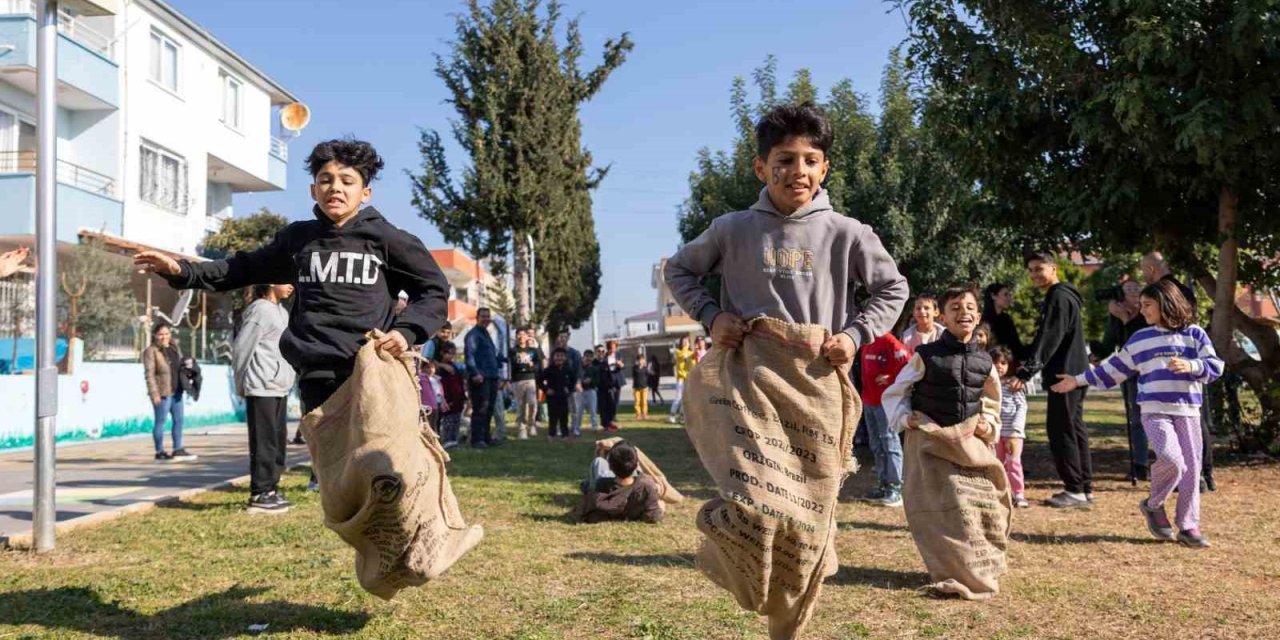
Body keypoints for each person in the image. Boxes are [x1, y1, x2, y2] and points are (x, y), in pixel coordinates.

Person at [133, 139, 450, 468]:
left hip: (371, 372)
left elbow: (433, 289)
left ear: (365, 193)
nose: (335, 188)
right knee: (335, 479)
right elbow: (241, 268)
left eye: (347, 181)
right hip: (317, 377)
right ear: (314, 190)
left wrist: (406, 332)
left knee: (378, 471)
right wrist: (181, 271)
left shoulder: (388, 240)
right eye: (326, 180)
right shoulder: (299, 240)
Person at [663, 102, 908, 380]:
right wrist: (712, 316)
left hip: (819, 386)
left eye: (811, 160)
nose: (799, 170)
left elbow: (894, 288)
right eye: (785, 160)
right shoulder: (730, 230)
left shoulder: (849, 234)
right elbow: (677, 269)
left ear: (824, 170)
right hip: (745, 389)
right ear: (761, 168)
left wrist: (854, 336)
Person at [1050, 279, 1223, 548]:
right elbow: (1114, 369)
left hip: (1188, 411)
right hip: (1154, 412)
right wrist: (1078, 380)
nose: (1142, 311)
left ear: (1166, 303)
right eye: (1141, 305)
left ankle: (1188, 526)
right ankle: (1154, 504)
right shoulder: (1141, 338)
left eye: (1147, 305)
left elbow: (1215, 366)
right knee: (1173, 461)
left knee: (1191, 471)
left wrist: (1192, 365)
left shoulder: (1195, 334)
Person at [1008, 250, 1092, 509]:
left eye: (1038, 269)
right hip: (1075, 371)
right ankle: (1084, 487)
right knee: (1074, 428)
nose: (1034, 274)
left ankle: (1075, 489)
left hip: (1064, 375)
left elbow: (1049, 338)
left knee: (1061, 429)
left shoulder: (1058, 296)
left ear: (1053, 268)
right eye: (1031, 270)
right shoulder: (1064, 296)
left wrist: (1026, 371)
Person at [1141, 251, 1214, 491]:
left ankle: (1196, 475)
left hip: (1176, 369)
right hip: (1190, 368)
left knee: (1187, 423)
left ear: (1151, 269)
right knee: (1195, 420)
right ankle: (1203, 473)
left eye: (1143, 269)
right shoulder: (1185, 290)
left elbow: (1162, 329)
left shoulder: (1162, 293)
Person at [232, 283, 296, 514]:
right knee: (263, 442)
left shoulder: (282, 311)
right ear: (270, 282)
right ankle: (259, 493)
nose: (290, 286)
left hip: (280, 387)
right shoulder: (260, 310)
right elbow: (242, 348)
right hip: (261, 386)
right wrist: (241, 384)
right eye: (285, 281)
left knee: (278, 442)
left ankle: (271, 488)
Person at [1095, 278, 1151, 482]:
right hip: (1131, 374)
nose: (1135, 291)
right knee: (1136, 420)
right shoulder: (1117, 316)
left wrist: (1127, 320)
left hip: (1152, 373)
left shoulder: (1150, 312)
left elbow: (1141, 342)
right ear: (1121, 294)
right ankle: (1140, 465)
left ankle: (1166, 463)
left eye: (1138, 287)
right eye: (1129, 289)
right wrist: (1097, 354)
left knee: (1158, 417)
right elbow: (1110, 342)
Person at [859, 332, 911, 507]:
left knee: (890, 442)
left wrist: (891, 377)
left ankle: (895, 488)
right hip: (869, 400)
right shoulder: (866, 340)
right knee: (876, 444)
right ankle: (883, 484)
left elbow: (908, 362)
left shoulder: (888, 340)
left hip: (885, 401)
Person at [143, 322, 196, 462]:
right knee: (160, 421)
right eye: (161, 334)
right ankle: (159, 451)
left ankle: (177, 449)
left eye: (166, 334)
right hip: (162, 392)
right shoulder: (151, 351)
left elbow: (179, 367)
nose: (164, 337)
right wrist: (154, 393)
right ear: (155, 335)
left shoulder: (174, 348)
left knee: (179, 421)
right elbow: (149, 374)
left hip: (177, 391)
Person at [580, 441, 665, 524]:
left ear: (610, 466)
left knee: (598, 461)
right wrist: (661, 506)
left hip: (609, 483)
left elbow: (593, 512)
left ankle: (585, 485)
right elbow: (652, 516)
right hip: (634, 483)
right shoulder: (646, 486)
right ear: (637, 464)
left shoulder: (602, 484)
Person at [991, 345, 1029, 509]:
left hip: (1013, 433)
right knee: (997, 463)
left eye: (1003, 363)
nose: (999, 366)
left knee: (1013, 462)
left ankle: (1018, 493)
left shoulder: (1012, 386)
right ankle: (1000, 492)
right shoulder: (988, 385)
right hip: (995, 433)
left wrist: (1015, 429)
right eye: (996, 362)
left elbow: (1022, 407)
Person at [465, 308, 503, 449]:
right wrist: (475, 373)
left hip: (491, 377)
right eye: (483, 316)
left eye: (488, 316)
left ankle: (486, 437)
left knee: (489, 409)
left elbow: (491, 357)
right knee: (480, 408)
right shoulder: (473, 335)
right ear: (477, 317)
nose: (486, 319)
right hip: (480, 378)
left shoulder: (486, 334)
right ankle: (477, 439)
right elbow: (470, 355)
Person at [510, 328, 543, 439]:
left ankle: (532, 424)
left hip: (530, 378)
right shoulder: (513, 351)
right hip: (518, 380)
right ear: (516, 337)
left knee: (532, 403)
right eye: (518, 335)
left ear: (526, 336)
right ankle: (522, 429)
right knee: (520, 405)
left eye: (523, 335)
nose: (521, 337)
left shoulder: (533, 351)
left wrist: (532, 365)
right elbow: (510, 365)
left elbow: (539, 366)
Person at [981, 282, 1026, 360]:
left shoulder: (1007, 319)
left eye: (1009, 295)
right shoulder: (983, 320)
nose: (1009, 298)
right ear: (993, 296)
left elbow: (1016, 346)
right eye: (1005, 295)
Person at [538, 347, 575, 440]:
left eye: (562, 356)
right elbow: (539, 380)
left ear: (565, 357)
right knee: (553, 416)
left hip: (563, 396)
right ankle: (551, 434)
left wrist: (569, 389)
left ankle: (565, 434)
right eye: (557, 356)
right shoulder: (549, 369)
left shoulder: (568, 369)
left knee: (564, 416)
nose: (559, 358)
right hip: (552, 396)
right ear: (553, 357)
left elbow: (573, 380)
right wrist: (546, 390)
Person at [436, 341, 467, 449]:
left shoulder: (454, 366)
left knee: (456, 421)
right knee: (448, 422)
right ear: (442, 353)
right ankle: (447, 441)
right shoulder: (439, 369)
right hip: (448, 400)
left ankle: (454, 441)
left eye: (453, 353)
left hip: (458, 400)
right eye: (449, 353)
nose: (451, 356)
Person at [554, 331, 586, 436]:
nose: (563, 339)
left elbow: (579, 369)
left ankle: (575, 428)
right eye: (561, 336)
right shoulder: (554, 353)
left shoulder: (574, 353)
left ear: (568, 338)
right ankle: (559, 429)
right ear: (558, 338)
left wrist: (578, 382)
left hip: (572, 385)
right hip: (559, 385)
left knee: (575, 409)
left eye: (565, 337)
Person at [669, 337, 695, 424]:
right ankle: (672, 415)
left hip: (688, 378)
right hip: (680, 378)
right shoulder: (678, 351)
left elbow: (692, 363)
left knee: (686, 398)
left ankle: (682, 416)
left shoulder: (691, 353)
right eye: (683, 341)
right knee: (678, 397)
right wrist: (686, 348)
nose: (685, 343)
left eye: (687, 341)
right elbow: (682, 356)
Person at [600, 340, 624, 431]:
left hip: (617, 379)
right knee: (610, 400)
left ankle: (614, 416)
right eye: (610, 347)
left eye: (614, 347)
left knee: (616, 400)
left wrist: (620, 364)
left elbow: (622, 365)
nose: (612, 349)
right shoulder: (605, 356)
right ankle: (609, 419)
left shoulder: (619, 355)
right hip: (608, 380)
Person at [419, 355, 443, 434]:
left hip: (435, 406)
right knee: (425, 425)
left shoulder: (436, 379)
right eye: (427, 367)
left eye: (432, 367)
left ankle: (434, 442)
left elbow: (440, 392)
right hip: (425, 406)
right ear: (422, 368)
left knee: (434, 425)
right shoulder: (421, 378)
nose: (430, 370)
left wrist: (443, 402)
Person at [580, 350, 602, 432]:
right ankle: (577, 426)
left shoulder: (595, 368)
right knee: (579, 410)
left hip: (591, 390)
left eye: (590, 357)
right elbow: (576, 378)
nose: (588, 358)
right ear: (583, 357)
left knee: (593, 410)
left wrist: (591, 381)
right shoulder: (580, 368)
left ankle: (595, 426)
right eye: (587, 356)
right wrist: (583, 382)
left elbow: (597, 381)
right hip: (581, 391)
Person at [630, 353, 650, 420]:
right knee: (637, 401)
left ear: (644, 360)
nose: (640, 361)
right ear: (637, 360)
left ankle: (644, 414)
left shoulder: (645, 368)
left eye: (642, 360)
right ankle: (638, 414)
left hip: (644, 387)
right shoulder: (634, 368)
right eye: (639, 360)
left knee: (644, 401)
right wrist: (637, 366)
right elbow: (633, 376)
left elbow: (648, 376)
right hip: (636, 387)